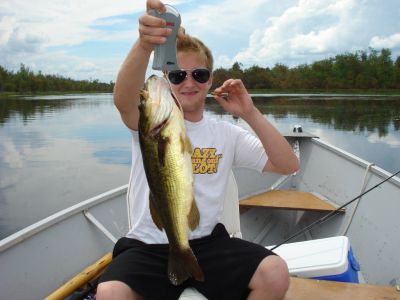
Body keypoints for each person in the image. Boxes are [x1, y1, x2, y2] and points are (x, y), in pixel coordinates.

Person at [96, 0, 299, 299]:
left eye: (199, 74)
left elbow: (288, 165)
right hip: (147, 245)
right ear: (167, 80)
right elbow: (124, 100)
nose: (188, 82)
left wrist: (250, 114)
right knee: (110, 293)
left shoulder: (226, 133)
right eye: (177, 75)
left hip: (208, 243)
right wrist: (144, 45)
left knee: (276, 273)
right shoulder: (150, 125)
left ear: (210, 80)